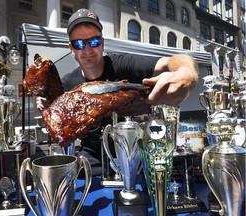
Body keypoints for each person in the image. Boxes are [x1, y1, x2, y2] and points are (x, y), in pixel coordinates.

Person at [37, 8, 199, 176]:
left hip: (136, 156)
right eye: (79, 44)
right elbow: (57, 123)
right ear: (71, 48)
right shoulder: (67, 84)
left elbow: (178, 60)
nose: (87, 49)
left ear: (102, 43)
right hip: (93, 158)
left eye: (94, 41)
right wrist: (47, 110)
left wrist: (186, 74)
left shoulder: (123, 64)